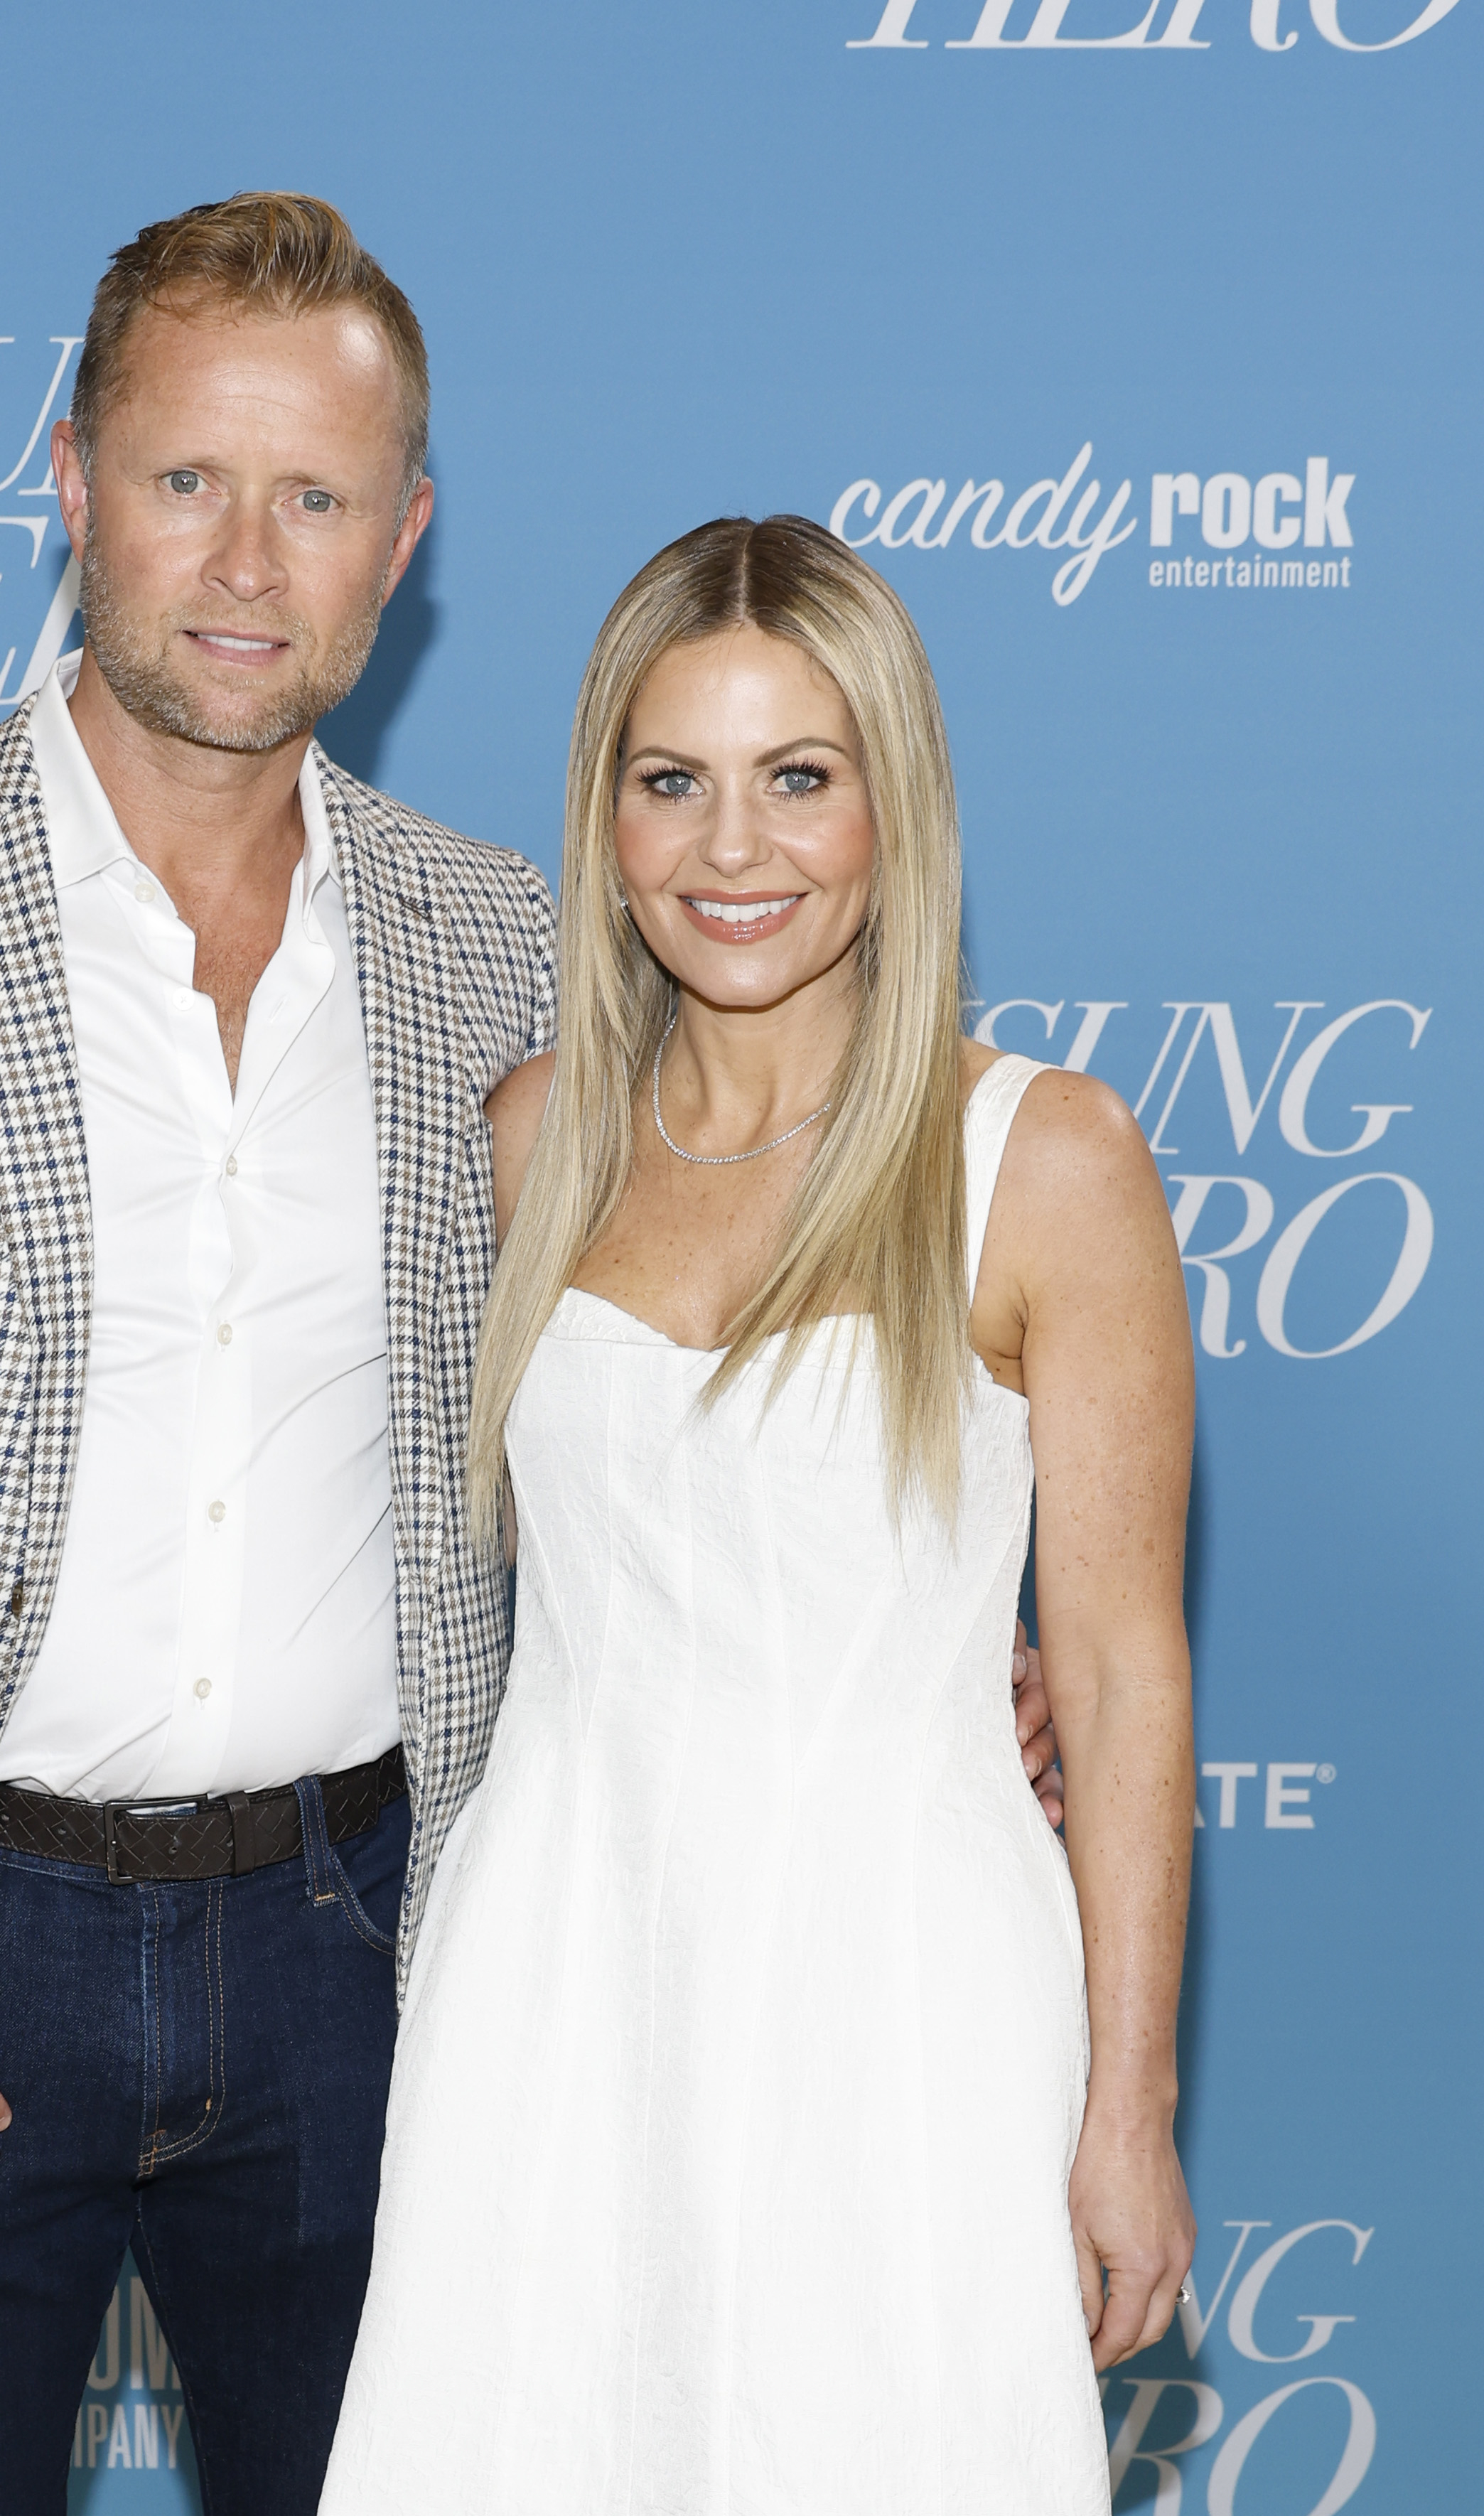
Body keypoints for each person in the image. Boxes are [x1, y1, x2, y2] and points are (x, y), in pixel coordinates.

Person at [0, 198, 1064, 2515]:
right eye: (186, 481)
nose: (247, 560)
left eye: (318, 497)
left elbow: (669, 1360)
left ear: (404, 539)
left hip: (396, 1949)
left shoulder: (508, 950)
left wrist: (926, 1642)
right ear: (70, 484)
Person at [321, 516, 1198, 2516]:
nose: (736, 849)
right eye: (674, 781)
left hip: (901, 1975)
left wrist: (1126, 2105)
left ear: (895, 802)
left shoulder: (1044, 1161)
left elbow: (1130, 1669)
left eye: (800, 776)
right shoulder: (525, 1140)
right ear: (605, 812)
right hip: (554, 1964)